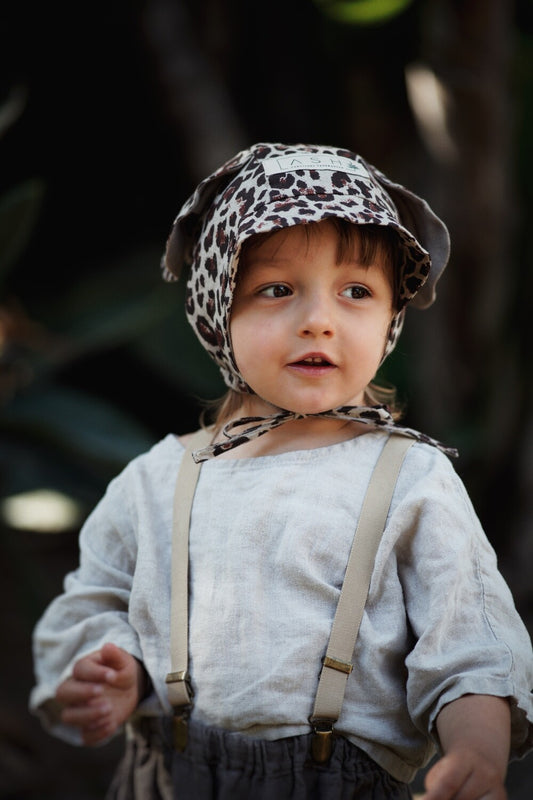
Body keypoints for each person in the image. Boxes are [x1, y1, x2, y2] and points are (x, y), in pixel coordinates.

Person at [30, 143, 533, 799]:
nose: (318, 321)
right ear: (216, 308)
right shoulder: (159, 478)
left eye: (355, 291)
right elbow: (93, 605)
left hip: (341, 784)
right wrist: (106, 667)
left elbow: (471, 642)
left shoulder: (409, 478)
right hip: (170, 778)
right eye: (276, 289)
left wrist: (476, 751)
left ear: (391, 317)